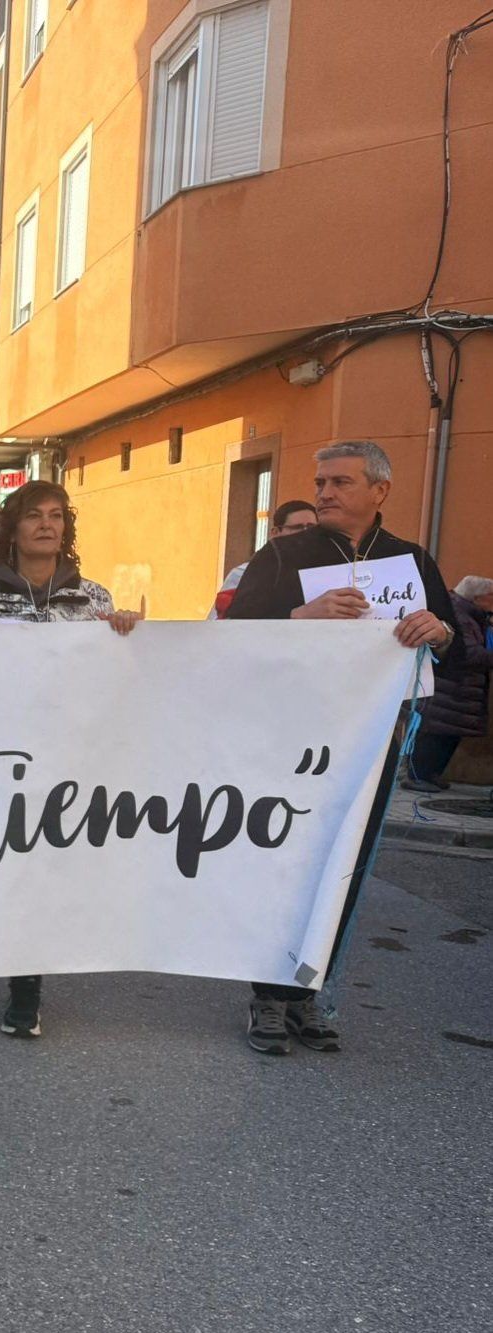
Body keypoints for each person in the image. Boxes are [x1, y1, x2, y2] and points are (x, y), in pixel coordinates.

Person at [226, 439, 457, 1054]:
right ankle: (269, 996)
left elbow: (452, 648)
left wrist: (442, 629)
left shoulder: (411, 560)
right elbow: (231, 638)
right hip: (292, 736)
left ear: (379, 491)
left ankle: (309, 994)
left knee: (345, 865)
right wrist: (302, 617)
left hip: (373, 739)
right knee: (284, 858)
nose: (324, 492)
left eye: (340, 483)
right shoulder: (280, 555)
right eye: (320, 481)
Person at [0, 480, 143, 1039]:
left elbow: (118, 679)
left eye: (57, 516)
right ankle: (22, 985)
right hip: (1, 756)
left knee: (47, 869)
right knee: (11, 868)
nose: (46, 525)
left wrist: (125, 636)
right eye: (34, 516)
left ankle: (30, 979)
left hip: (70, 757)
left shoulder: (95, 600)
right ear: (14, 529)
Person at [406, 576, 493, 791]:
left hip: (459, 688)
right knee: (437, 732)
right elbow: (468, 653)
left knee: (449, 734)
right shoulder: (460, 615)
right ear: (478, 597)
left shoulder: (474, 615)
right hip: (450, 687)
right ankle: (419, 776)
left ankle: (430, 774)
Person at [207, 499, 318, 619]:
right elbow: (224, 622)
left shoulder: (321, 572)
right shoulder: (244, 573)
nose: (306, 534)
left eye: (312, 528)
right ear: (275, 533)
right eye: (298, 527)